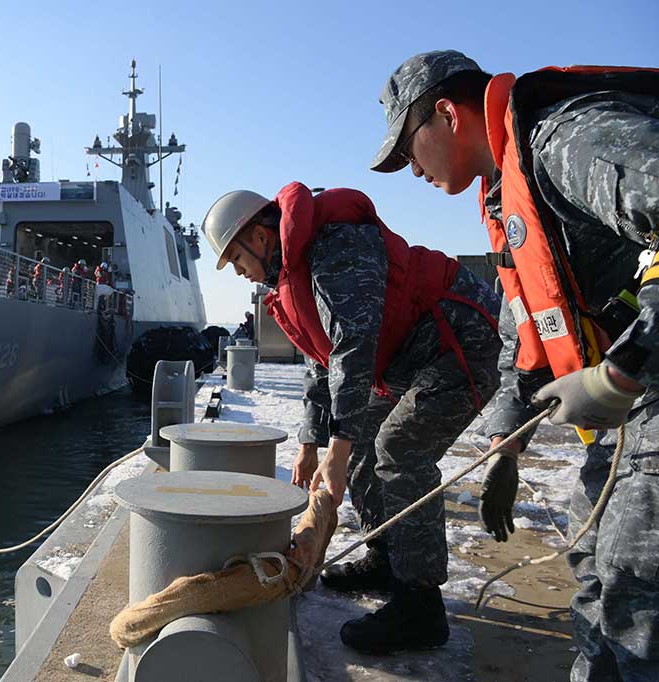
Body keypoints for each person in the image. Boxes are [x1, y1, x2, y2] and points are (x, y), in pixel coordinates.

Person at [372, 50, 658, 680]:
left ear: (446, 114)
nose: (409, 171)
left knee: (636, 597)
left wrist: (627, 366)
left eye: (408, 150)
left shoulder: (568, 139)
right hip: (620, 427)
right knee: (595, 576)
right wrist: (505, 445)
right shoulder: (508, 195)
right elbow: (521, 339)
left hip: (648, 403)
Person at [202, 182, 502, 654]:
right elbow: (321, 362)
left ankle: (421, 607)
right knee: (363, 444)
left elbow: (354, 343)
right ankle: (387, 556)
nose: (240, 273)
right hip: (412, 360)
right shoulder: (288, 276)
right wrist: (309, 443)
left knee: (399, 450)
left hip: (460, 341)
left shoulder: (335, 242)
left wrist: (338, 446)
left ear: (259, 237)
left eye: (237, 261)